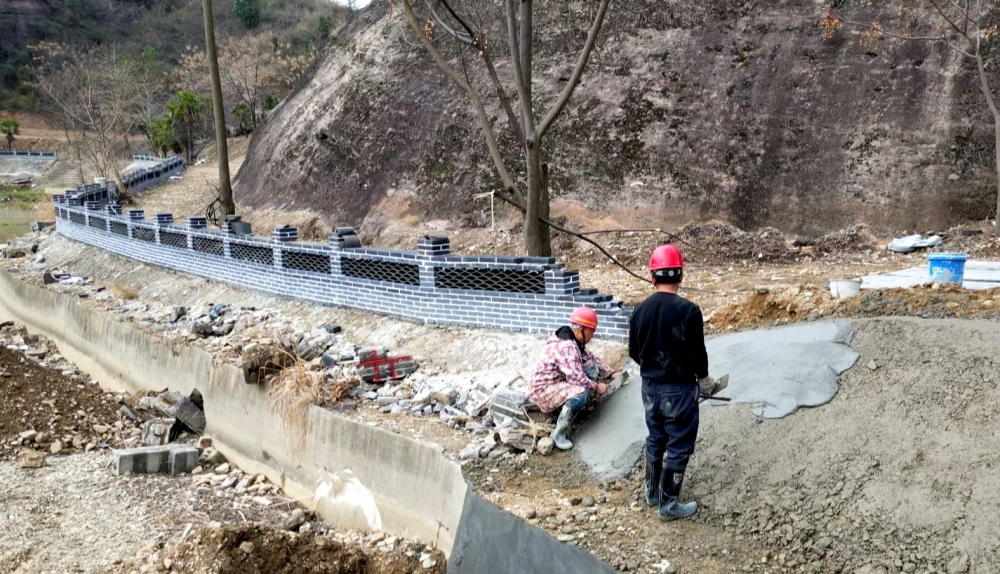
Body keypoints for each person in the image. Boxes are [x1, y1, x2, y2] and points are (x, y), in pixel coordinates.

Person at [628, 244, 715, 521]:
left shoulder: (639, 310)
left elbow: (634, 351)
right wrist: (704, 378)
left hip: (649, 389)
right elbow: (698, 354)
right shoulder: (689, 311)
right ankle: (668, 505)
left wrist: (653, 368)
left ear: (652, 277)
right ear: (681, 276)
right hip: (679, 390)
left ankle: (652, 493)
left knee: (656, 437)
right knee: (678, 445)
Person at [529, 307, 620, 451]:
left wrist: (611, 373)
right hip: (543, 391)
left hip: (556, 383)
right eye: (592, 332)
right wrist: (596, 387)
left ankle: (576, 408)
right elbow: (576, 378)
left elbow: (591, 358)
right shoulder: (567, 347)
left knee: (591, 367)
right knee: (580, 393)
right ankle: (560, 434)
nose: (593, 336)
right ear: (582, 330)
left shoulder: (572, 339)